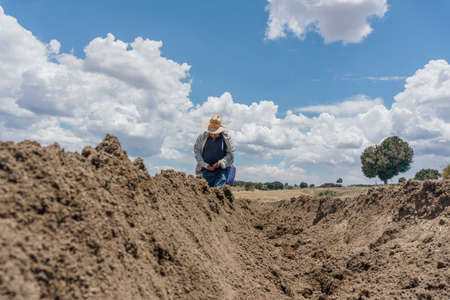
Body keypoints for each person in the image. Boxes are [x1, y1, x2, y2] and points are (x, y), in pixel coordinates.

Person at [194, 114, 235, 187]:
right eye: (211, 133)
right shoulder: (202, 138)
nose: (213, 135)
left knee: (218, 190)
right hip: (205, 170)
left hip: (221, 170)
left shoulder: (226, 139)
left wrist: (220, 162)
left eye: (215, 133)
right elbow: (197, 151)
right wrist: (206, 165)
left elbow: (230, 153)